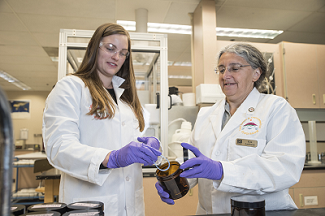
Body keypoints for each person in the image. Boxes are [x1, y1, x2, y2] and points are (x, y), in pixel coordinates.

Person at [155, 43, 306, 214]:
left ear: (256, 73)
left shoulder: (276, 109)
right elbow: (193, 163)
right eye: (221, 69)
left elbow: (285, 167)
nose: (225, 75)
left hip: (261, 212)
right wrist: (175, 182)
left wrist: (222, 171)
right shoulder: (206, 114)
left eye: (234, 68)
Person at [42, 23, 161, 216]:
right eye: (110, 48)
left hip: (132, 205)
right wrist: (110, 158)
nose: (116, 57)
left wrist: (148, 147)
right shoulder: (71, 87)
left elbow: (124, 143)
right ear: (94, 47)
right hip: (88, 204)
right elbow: (58, 147)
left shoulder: (125, 100)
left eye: (123, 53)